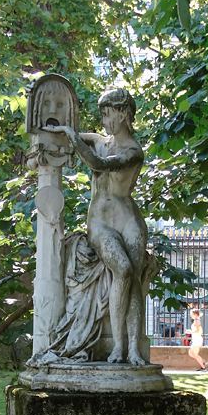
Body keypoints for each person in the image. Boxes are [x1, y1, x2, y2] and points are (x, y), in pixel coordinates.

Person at [46, 87, 148, 365]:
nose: (103, 121)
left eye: (107, 113)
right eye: (101, 114)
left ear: (124, 113)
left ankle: (134, 351)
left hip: (129, 220)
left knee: (135, 285)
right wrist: (62, 132)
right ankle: (117, 347)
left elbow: (99, 163)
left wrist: (72, 137)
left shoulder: (133, 151)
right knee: (124, 270)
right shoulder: (99, 140)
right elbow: (72, 140)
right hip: (101, 223)